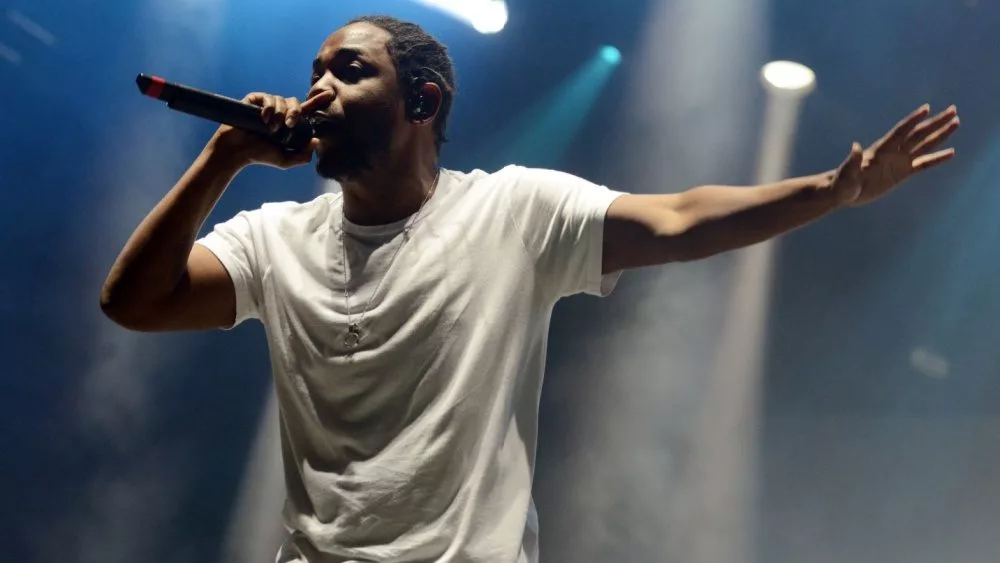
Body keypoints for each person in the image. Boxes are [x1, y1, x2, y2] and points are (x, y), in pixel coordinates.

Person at [99, 14, 960, 563]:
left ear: (422, 100)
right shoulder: (275, 237)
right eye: (315, 67)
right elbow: (133, 302)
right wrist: (223, 156)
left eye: (351, 70)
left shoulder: (514, 209)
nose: (318, 86)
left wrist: (831, 190)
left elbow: (680, 218)